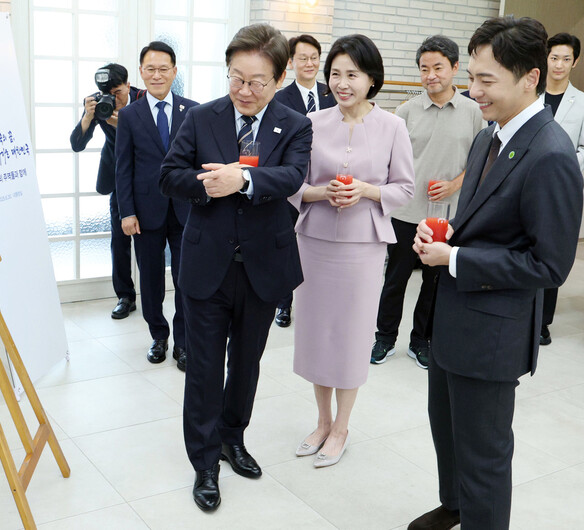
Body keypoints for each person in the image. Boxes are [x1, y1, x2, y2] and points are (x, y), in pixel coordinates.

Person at [410, 17, 583, 530]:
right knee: (447, 430)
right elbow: (481, 221)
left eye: (488, 80)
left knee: (484, 454)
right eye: (474, 77)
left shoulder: (551, 155)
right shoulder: (489, 137)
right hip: (454, 318)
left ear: (529, 78)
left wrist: (455, 259)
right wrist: (441, 237)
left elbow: (549, 265)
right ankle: (455, 506)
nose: (474, 90)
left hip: (492, 334)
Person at [160, 23, 312, 512]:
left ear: (280, 76)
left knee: (246, 363)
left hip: (263, 267)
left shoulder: (294, 124)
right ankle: (204, 462)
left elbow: (292, 175)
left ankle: (232, 437)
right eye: (236, 78)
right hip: (208, 265)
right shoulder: (202, 118)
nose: (245, 91)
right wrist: (209, 185)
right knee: (203, 369)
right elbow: (170, 175)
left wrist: (243, 178)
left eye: (257, 82)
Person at [288, 34, 414, 467]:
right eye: (336, 75)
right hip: (315, 242)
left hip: (363, 246)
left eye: (352, 75)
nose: (343, 83)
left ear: (371, 79)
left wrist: (368, 191)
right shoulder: (311, 123)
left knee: (351, 335)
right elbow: (293, 186)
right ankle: (321, 421)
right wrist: (322, 193)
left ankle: (342, 427)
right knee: (317, 334)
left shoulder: (393, 126)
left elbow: (405, 188)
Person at [371, 35, 485, 369]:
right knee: (395, 279)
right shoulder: (405, 112)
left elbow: (479, 163)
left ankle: (421, 340)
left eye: (438, 67)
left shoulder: (474, 112)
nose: (430, 74)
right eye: (424, 68)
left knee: (435, 283)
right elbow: (389, 161)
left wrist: (454, 185)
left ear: (454, 68)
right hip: (406, 212)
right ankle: (384, 338)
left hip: (448, 216)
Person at [115, 41, 197, 371]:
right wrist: (127, 212)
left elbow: (199, 162)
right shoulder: (130, 115)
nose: (157, 74)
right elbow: (123, 166)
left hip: (185, 211)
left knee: (186, 279)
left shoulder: (193, 111)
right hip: (145, 213)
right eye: (150, 68)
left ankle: (184, 342)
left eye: (164, 68)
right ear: (141, 72)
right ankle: (159, 336)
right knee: (150, 280)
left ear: (175, 72)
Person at [272, 34, 337, 328]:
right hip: (292, 181)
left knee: (321, 245)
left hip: (325, 183)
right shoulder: (280, 98)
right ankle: (283, 304)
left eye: (314, 58)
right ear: (291, 62)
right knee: (287, 243)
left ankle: (318, 301)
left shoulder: (332, 93)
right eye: (303, 58)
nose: (309, 63)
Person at [70, 63, 140, 319]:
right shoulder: (100, 105)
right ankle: (125, 296)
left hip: (146, 179)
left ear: (129, 86)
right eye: (108, 92)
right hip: (118, 178)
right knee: (119, 240)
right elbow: (76, 144)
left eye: (118, 92)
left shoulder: (144, 99)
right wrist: (89, 116)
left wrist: (126, 120)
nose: (114, 98)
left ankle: (154, 294)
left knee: (147, 242)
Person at [539, 32, 584, 346]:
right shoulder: (530, 95)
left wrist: (560, 166)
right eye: (554, 57)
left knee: (552, 251)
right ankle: (525, 313)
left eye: (566, 59)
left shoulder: (582, 102)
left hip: (562, 189)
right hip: (527, 184)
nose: (559, 64)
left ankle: (543, 322)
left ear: (575, 62)